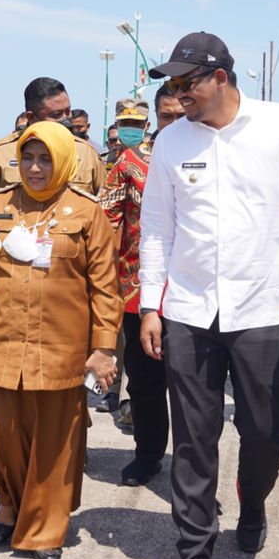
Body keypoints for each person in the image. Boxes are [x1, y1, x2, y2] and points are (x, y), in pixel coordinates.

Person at [138, 33, 279, 559]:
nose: (177, 95)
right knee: (193, 437)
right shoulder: (172, 142)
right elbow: (157, 230)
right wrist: (151, 303)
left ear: (219, 76)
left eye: (185, 83)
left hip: (265, 306)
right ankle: (195, 555)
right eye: (171, 86)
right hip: (191, 310)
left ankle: (253, 502)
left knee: (265, 429)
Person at [0, 121, 122, 559]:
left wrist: (103, 349)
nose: (34, 168)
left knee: (54, 445)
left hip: (62, 349)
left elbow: (106, 288)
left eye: (45, 158)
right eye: (28, 158)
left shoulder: (88, 214)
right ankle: (9, 500)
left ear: (65, 160)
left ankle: (44, 531)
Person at [0, 77, 106, 256]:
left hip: (69, 266)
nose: (67, 120)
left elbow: (106, 213)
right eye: (57, 115)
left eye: (68, 112)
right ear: (31, 117)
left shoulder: (86, 153)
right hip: (8, 262)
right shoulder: (0, 154)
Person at [101, 96, 169, 484]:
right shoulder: (129, 163)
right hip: (137, 291)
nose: (175, 121)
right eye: (167, 115)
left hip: (198, 295)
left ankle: (197, 472)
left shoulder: (215, 155)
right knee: (144, 383)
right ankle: (148, 453)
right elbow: (106, 220)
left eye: (180, 114)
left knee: (198, 392)